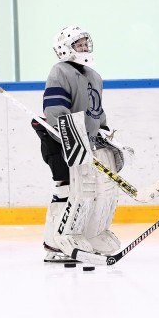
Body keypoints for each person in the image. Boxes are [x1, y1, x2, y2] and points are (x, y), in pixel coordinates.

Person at [33, 26, 124, 262]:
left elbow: (96, 111)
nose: (83, 48)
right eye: (78, 44)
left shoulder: (93, 76)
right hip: (61, 142)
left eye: (85, 43)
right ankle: (53, 244)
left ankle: (85, 234)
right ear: (64, 49)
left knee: (90, 192)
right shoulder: (59, 72)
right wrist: (71, 137)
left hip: (88, 144)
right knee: (66, 189)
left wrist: (103, 131)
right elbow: (54, 109)